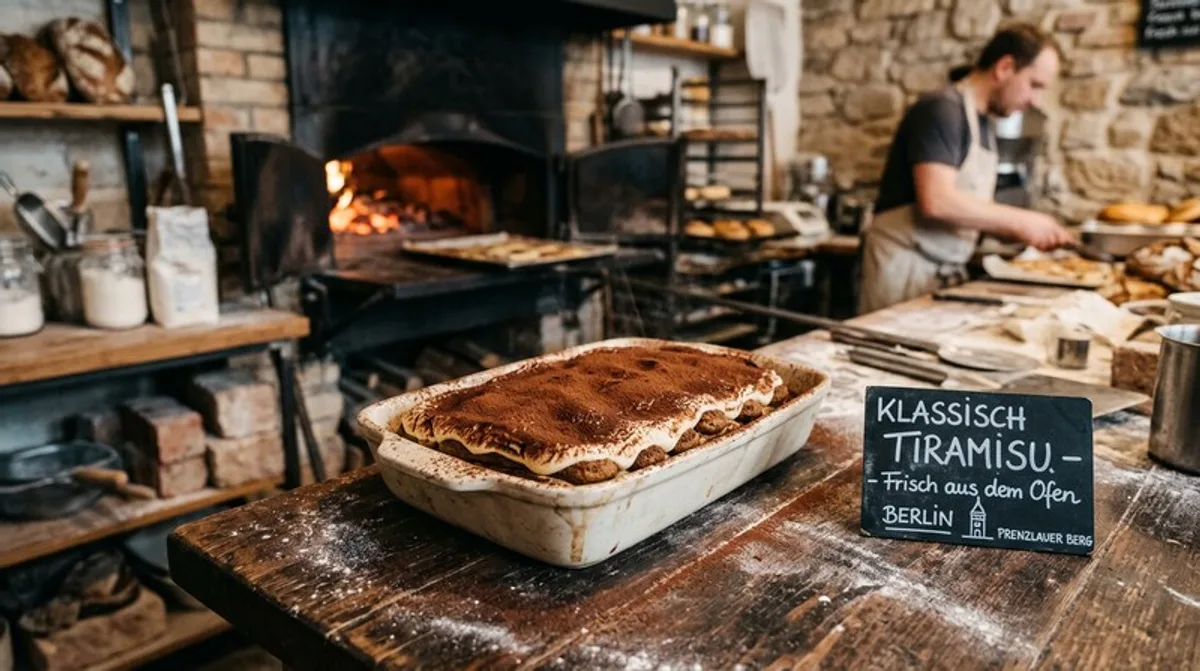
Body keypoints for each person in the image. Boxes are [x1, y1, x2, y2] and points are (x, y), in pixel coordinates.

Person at [858, 23, 1075, 314]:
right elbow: (937, 201)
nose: (1034, 100)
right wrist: (1021, 221)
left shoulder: (983, 123)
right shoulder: (942, 109)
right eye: (1034, 85)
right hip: (904, 268)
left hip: (939, 271)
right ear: (1005, 67)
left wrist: (1013, 233)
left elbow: (968, 209)